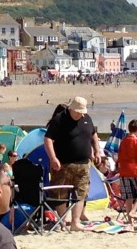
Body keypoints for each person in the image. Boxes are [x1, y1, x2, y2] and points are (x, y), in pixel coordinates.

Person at [43, 96, 101, 231]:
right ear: (72, 109)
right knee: (60, 192)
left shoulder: (86, 118)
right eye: (79, 111)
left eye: (83, 111)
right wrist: (53, 158)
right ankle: (62, 222)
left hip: (83, 164)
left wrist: (97, 151)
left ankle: (75, 222)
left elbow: (94, 135)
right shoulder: (60, 119)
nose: (82, 114)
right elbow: (48, 139)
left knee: (81, 193)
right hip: (62, 164)